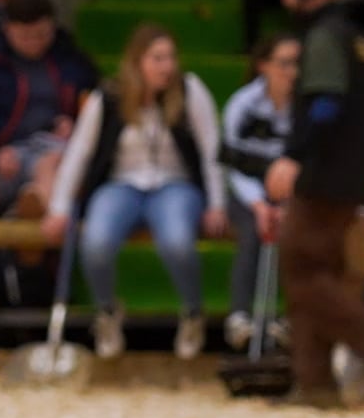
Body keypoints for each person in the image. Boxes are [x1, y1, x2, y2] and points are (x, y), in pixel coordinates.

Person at [263, 0, 364, 408]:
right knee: (319, 270)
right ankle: (316, 384)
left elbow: (325, 103)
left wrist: (292, 156)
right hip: (354, 170)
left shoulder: (324, 38)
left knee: (302, 269)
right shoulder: (355, 37)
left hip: (326, 172)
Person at [43, 25, 227, 359]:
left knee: (176, 242)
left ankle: (192, 312)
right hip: (121, 183)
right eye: (157, 58)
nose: (166, 66)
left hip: (175, 184)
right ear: (137, 61)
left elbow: (212, 150)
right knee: (96, 242)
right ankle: (107, 312)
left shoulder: (190, 91)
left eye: (170, 57)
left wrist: (216, 203)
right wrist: (59, 207)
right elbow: (79, 154)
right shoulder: (108, 97)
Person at [0, 0, 98, 225]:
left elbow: (95, 105)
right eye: (25, 37)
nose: (34, 43)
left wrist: (74, 123)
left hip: (49, 149)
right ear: (8, 29)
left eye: (41, 35)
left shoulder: (71, 59)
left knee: (55, 164)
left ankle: (33, 243)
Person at [217, 34, 299, 351]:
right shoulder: (243, 104)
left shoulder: (305, 109)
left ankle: (291, 319)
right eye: (284, 63)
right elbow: (231, 163)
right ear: (264, 66)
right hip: (248, 192)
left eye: (297, 64)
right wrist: (258, 204)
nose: (292, 71)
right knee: (252, 232)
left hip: (292, 197)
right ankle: (240, 317)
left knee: (298, 234)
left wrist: (288, 204)